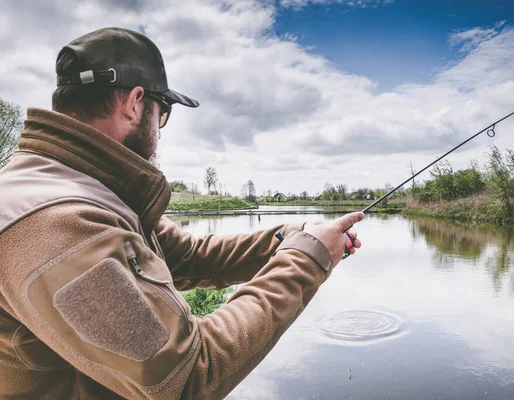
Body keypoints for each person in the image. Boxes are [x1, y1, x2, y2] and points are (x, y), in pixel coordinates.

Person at [0, 27, 364, 399]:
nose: (160, 128)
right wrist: (305, 260)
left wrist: (292, 236)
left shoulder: (83, 190)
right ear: (135, 103)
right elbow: (185, 376)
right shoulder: (60, 222)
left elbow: (187, 256)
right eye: (163, 112)